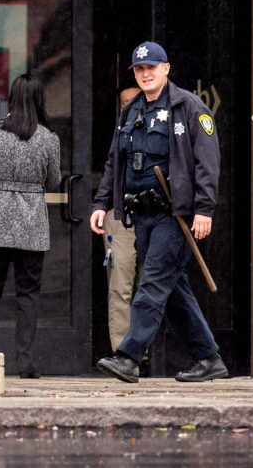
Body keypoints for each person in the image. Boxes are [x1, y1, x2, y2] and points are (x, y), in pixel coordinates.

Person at [90, 41, 227, 383]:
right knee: (173, 288)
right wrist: (101, 203)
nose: (145, 73)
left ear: (167, 68)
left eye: (151, 67)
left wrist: (204, 209)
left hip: (174, 214)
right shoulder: (132, 110)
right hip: (142, 215)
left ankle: (129, 356)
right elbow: (115, 161)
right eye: (139, 69)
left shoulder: (190, 108)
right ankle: (209, 358)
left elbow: (207, 163)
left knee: (151, 284)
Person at [0, 73, 62, 379]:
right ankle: (25, 362)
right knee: (28, 292)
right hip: (30, 220)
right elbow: (53, 180)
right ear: (39, 100)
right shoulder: (48, 138)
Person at [104, 87, 141, 353]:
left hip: (155, 215)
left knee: (152, 286)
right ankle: (122, 352)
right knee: (120, 286)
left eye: (134, 101)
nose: (129, 106)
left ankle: (144, 349)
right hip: (120, 215)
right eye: (124, 102)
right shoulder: (119, 134)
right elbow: (108, 171)